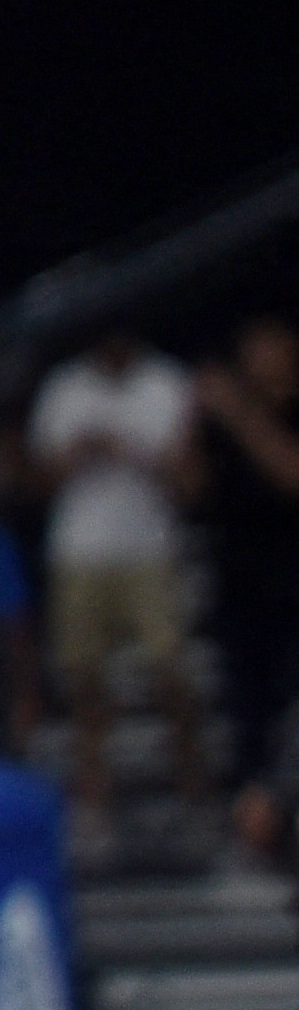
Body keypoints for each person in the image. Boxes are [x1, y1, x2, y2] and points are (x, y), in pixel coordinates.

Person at [31, 326, 206, 838]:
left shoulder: (167, 383)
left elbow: (192, 483)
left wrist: (132, 453)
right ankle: (94, 798)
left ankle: (193, 787)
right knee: (84, 680)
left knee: (170, 671)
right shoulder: (64, 388)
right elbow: (35, 482)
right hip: (79, 552)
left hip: (148, 550)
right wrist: (77, 455)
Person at [200, 317, 299, 853]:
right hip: (240, 591)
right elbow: (191, 489)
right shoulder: (219, 421)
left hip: (294, 596)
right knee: (250, 721)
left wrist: (238, 413)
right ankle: (256, 828)